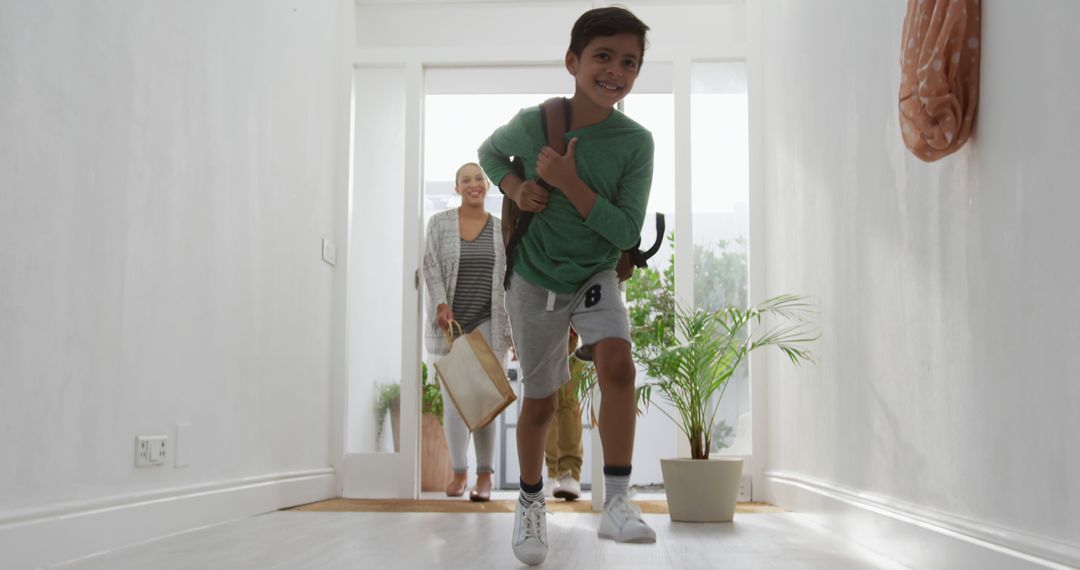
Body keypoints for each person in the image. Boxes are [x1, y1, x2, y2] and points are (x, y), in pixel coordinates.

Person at [478, 6, 655, 565]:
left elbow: (625, 231)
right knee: (542, 401)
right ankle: (531, 502)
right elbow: (488, 153)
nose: (616, 71)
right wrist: (515, 187)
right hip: (534, 278)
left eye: (629, 62)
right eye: (603, 56)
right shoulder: (538, 122)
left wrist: (566, 181)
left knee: (619, 366)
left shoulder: (637, 142)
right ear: (572, 61)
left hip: (595, 274)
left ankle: (618, 501)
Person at [422, 162, 513, 502]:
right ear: (456, 188)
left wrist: (516, 333)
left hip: (490, 321)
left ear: (487, 186)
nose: (473, 184)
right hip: (452, 324)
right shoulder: (439, 224)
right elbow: (430, 267)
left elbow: (511, 279)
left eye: (479, 179)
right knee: (455, 402)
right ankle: (459, 472)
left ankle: (484, 476)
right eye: (465, 180)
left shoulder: (501, 229)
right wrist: (440, 304)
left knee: (485, 398)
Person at [544, 327, 585, 502]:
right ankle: (553, 472)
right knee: (545, 402)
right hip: (539, 325)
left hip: (569, 324)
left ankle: (569, 473)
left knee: (566, 398)